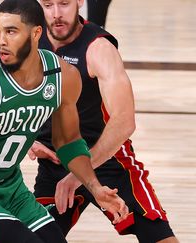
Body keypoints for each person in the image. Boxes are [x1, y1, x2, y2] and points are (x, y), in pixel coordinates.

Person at [0, 1, 128, 242]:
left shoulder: (63, 77)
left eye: (11, 31)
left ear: (36, 33)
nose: (0, 41)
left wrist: (95, 187)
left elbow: (68, 141)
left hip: (12, 187)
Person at [29, 0, 179, 242]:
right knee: (33, 238)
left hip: (108, 160)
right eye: (48, 5)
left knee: (159, 236)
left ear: (80, 1)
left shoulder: (98, 48)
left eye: (64, 3)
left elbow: (124, 121)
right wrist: (27, 140)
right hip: (56, 163)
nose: (57, 14)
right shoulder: (27, 37)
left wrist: (80, 174)